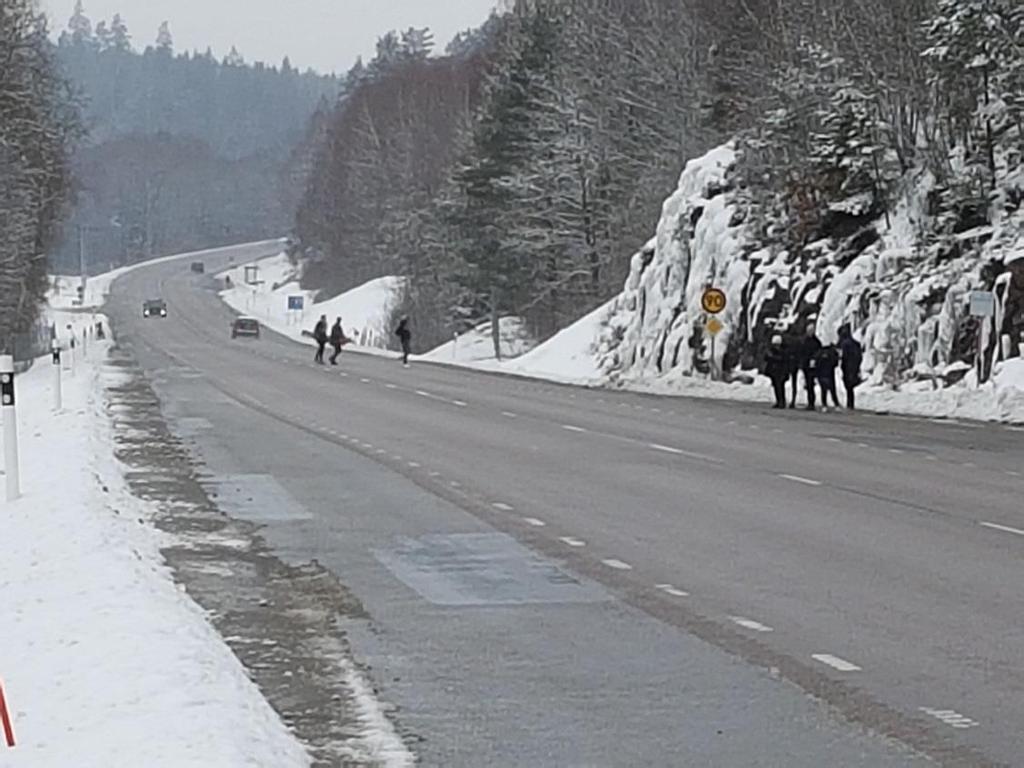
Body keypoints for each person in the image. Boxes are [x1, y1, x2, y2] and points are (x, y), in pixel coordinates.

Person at [795, 324, 822, 411]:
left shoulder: (815, 342)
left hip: (812, 365)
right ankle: (810, 402)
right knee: (808, 384)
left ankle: (811, 403)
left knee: (810, 384)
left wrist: (814, 360)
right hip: (806, 365)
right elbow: (801, 352)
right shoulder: (805, 341)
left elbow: (818, 353)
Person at [839, 324, 864, 409]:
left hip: (848, 366)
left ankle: (849, 403)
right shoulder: (856, 343)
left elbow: (844, 357)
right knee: (850, 386)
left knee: (848, 386)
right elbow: (860, 356)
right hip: (854, 366)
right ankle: (850, 403)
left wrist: (843, 365)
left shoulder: (845, 344)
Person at [764, 335, 789, 409]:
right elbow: (766, 358)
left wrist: (772, 357)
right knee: (776, 386)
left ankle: (782, 401)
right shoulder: (771, 350)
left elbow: (782, 359)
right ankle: (778, 401)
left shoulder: (783, 351)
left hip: (781, 371)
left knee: (780, 386)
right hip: (774, 371)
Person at [816, 343, 841, 410]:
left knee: (823, 390)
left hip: (821, 373)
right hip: (830, 372)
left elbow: (817, 363)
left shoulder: (819, 352)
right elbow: (835, 363)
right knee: (832, 389)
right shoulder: (832, 352)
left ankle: (824, 405)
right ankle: (836, 404)